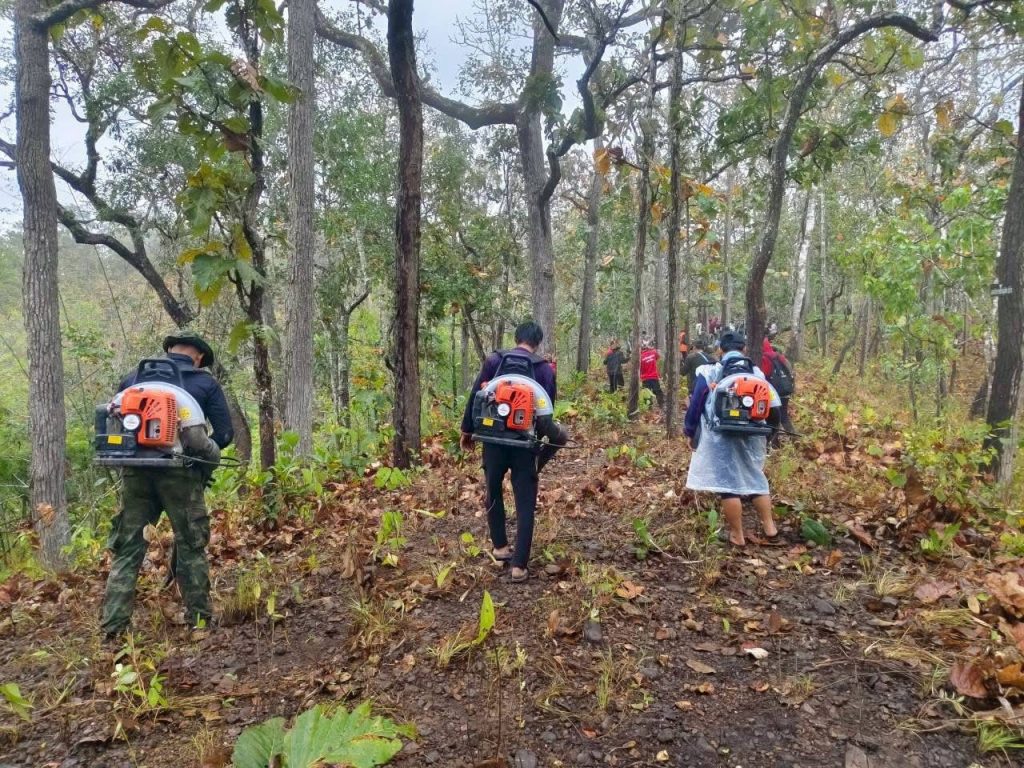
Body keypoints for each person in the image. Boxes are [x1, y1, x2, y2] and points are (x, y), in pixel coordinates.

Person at [101, 332, 234, 640]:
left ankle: (113, 629)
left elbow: (115, 426)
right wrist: (205, 454)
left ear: (170, 350)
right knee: (191, 543)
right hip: (180, 474)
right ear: (198, 357)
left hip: (136, 473)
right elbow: (225, 434)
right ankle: (199, 620)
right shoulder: (205, 383)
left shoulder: (132, 380)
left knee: (128, 546)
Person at [460, 321, 568, 583]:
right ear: (537, 343)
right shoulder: (544, 370)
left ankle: (499, 547)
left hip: (493, 440)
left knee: (493, 489)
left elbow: (476, 396)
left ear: (516, 337)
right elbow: (546, 411)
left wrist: (467, 431)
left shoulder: (494, 361)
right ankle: (519, 565)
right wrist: (541, 443)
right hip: (525, 444)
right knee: (525, 501)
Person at [683, 330, 781, 548]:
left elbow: (697, 402)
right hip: (753, 433)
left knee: (728, 485)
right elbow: (774, 406)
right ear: (744, 349)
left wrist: (690, 431)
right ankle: (770, 529)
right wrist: (770, 433)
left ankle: (737, 535)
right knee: (754, 477)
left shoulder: (710, 371)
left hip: (721, 435)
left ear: (720, 350)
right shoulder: (756, 374)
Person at [761, 321, 796, 439]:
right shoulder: (778, 355)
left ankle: (775, 443)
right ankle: (795, 440)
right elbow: (790, 370)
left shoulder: (765, 358)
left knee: (772, 417)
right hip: (784, 389)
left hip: (774, 392)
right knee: (784, 417)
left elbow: (764, 376)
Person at [681, 337, 714, 405]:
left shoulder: (691, 357)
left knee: (694, 406)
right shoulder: (711, 358)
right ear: (703, 348)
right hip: (709, 387)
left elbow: (683, 372)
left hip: (695, 387)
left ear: (694, 347)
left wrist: (680, 363)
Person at [638, 339, 664, 407]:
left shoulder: (640, 357)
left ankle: (649, 407)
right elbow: (659, 358)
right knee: (657, 391)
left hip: (645, 378)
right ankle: (661, 404)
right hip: (654, 376)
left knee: (647, 394)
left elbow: (640, 369)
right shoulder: (653, 352)